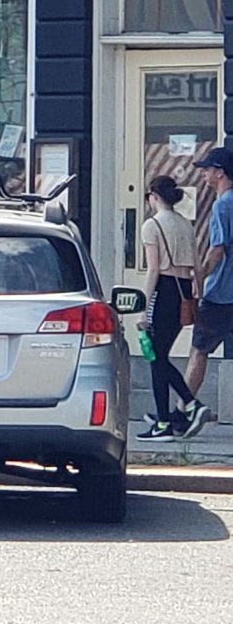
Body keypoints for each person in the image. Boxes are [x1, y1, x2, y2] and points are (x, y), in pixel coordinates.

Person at [136, 174, 210, 441]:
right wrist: (198, 296)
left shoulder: (151, 225)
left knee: (157, 357)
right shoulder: (184, 224)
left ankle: (176, 414)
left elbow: (154, 268)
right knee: (160, 356)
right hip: (185, 292)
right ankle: (173, 413)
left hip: (164, 290)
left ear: (154, 197)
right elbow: (198, 267)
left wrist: (143, 308)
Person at [181, 146, 233, 431]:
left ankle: (184, 411)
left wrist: (199, 277)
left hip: (222, 293)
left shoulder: (222, 205)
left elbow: (217, 249)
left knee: (199, 350)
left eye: (207, 169)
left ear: (220, 172)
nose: (203, 174)